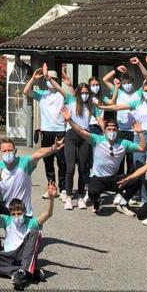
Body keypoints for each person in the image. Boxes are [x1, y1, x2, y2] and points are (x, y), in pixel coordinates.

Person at [0, 137, 63, 251]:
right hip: (7, 210)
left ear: (15, 150)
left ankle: (24, 233)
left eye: (10, 150)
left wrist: (53, 148)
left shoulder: (24, 163)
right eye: (4, 151)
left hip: (23, 212)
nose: (7, 153)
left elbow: (38, 153)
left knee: (30, 246)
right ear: (0, 152)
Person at [61, 111, 146, 215]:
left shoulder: (123, 143)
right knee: (92, 191)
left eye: (114, 129)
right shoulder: (97, 140)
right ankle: (96, 202)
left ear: (117, 130)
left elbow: (142, 148)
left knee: (137, 180)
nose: (112, 131)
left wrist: (140, 133)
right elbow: (80, 131)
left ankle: (123, 203)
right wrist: (69, 120)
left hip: (114, 179)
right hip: (98, 178)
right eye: (109, 129)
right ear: (104, 130)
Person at [0, 177, 53, 290]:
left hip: (23, 254)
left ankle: (23, 270)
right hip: (8, 255)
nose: (17, 216)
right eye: (14, 213)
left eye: (19, 213)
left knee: (35, 232)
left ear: (24, 212)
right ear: (10, 214)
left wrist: (51, 198)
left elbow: (48, 214)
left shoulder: (30, 222)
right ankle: (20, 272)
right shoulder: (7, 220)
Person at [59, 72, 101, 210]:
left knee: (84, 168)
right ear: (78, 93)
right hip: (71, 134)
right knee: (70, 167)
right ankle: (69, 197)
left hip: (85, 135)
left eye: (86, 93)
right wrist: (50, 79)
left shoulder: (91, 106)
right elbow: (61, 90)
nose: (84, 95)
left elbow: (100, 119)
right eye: (82, 93)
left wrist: (106, 132)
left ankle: (82, 197)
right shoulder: (71, 100)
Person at [23, 64, 66, 194]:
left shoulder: (63, 94)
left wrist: (50, 77)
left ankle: (63, 188)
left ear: (56, 81)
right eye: (47, 79)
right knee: (48, 160)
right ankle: (51, 186)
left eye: (51, 79)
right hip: (46, 130)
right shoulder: (42, 94)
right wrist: (33, 78)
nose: (49, 81)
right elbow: (26, 91)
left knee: (62, 160)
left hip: (60, 130)